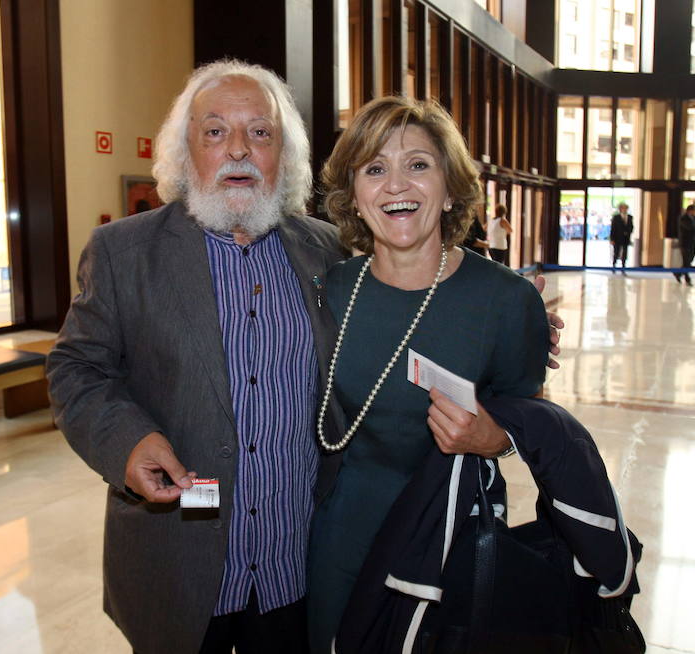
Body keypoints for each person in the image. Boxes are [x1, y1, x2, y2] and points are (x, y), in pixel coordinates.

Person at [46, 61, 564, 654]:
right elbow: (76, 368)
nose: (238, 149)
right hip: (180, 559)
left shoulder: (326, 253)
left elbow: (413, 296)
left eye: (260, 133)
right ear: (186, 154)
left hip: (299, 567)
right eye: (215, 132)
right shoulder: (124, 253)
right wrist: (128, 441)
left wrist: (517, 321)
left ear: (284, 155)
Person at [307, 96, 550, 653]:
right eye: (375, 168)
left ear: (448, 187)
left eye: (418, 164)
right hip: (344, 528)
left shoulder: (505, 301)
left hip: (452, 529)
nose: (396, 185)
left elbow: (530, 420)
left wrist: (496, 438)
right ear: (354, 195)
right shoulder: (334, 289)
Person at [674, 204, 695, 286]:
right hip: (685, 243)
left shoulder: (693, 218)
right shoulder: (683, 218)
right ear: (690, 210)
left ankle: (678, 273)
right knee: (686, 261)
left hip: (692, 243)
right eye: (694, 210)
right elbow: (690, 227)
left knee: (689, 260)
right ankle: (687, 278)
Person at [610, 202, 634, 274]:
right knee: (616, 252)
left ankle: (623, 267)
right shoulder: (616, 217)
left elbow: (631, 227)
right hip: (617, 238)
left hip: (626, 238)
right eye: (623, 208)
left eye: (626, 208)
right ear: (620, 209)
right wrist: (612, 239)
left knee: (625, 253)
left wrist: (628, 232)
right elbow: (613, 228)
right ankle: (614, 266)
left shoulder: (630, 217)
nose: (625, 210)